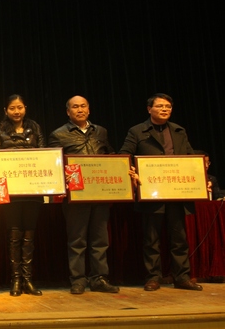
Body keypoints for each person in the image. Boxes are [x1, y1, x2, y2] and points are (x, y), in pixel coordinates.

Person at [119, 93, 203, 291]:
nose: (164, 109)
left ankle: (182, 277)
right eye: (160, 106)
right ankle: (153, 277)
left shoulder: (179, 131)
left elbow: (190, 158)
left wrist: (201, 177)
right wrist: (131, 171)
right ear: (149, 109)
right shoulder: (137, 131)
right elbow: (124, 155)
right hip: (151, 192)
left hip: (176, 192)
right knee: (151, 239)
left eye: (168, 107)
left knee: (179, 239)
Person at [48, 96, 120, 295]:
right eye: (75, 107)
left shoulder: (101, 131)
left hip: (100, 193)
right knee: (77, 241)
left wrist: (121, 168)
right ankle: (78, 280)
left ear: (89, 109)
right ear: (68, 112)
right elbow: (53, 164)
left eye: (83, 106)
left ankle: (100, 279)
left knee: (100, 240)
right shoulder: (58, 134)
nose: (79, 110)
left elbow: (111, 155)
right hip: (76, 195)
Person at [0, 94, 45, 296]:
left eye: (20, 107)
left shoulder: (35, 128)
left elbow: (44, 156)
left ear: (25, 108)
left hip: (32, 190)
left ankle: (28, 280)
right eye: (12, 108)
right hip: (11, 192)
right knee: (14, 235)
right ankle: (15, 280)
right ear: (6, 111)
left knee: (29, 235)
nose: (16, 111)